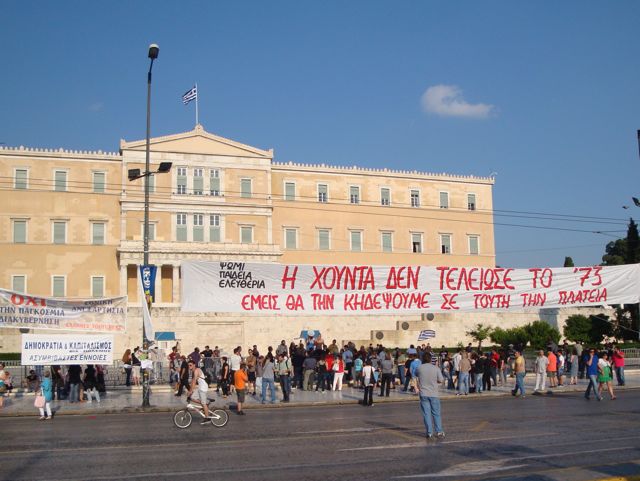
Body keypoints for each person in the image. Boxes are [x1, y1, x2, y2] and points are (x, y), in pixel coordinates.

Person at [415, 352, 444, 439]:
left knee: (426, 414)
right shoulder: (436, 368)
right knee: (436, 413)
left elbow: (416, 376)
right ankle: (439, 431)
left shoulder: (419, 368)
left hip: (423, 393)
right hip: (434, 393)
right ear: (431, 359)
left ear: (422, 359)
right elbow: (441, 380)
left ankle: (429, 432)